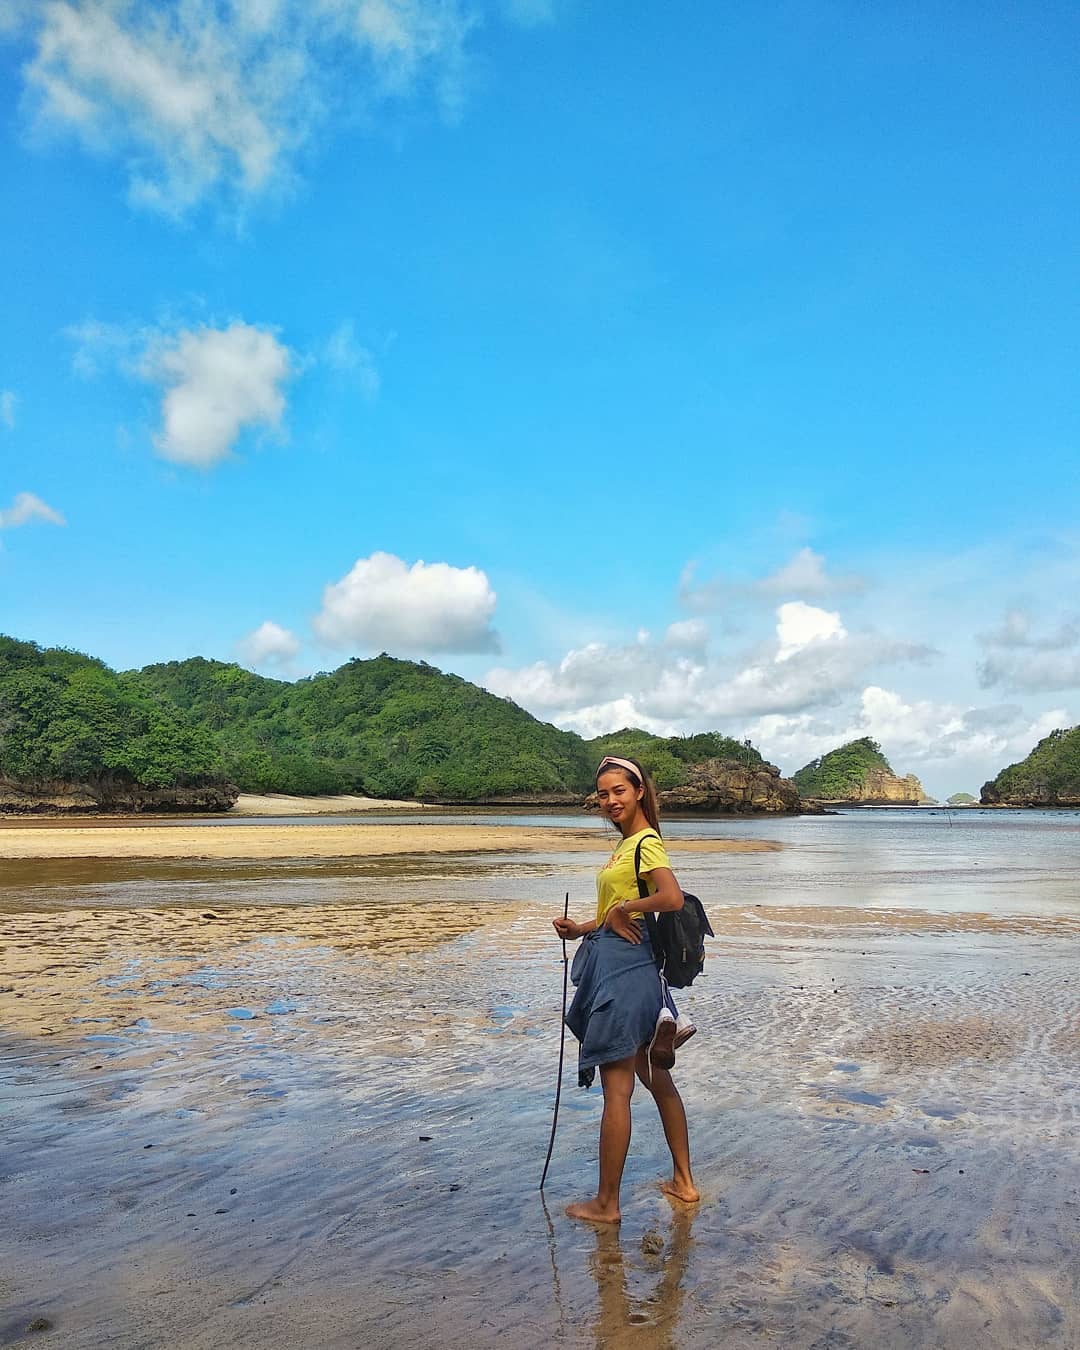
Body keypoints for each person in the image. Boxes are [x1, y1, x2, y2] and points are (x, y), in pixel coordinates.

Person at [553, 754, 700, 1224]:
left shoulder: (645, 842)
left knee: (617, 1090)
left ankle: (607, 1205)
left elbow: (671, 897)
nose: (611, 800)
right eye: (603, 793)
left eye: (619, 790)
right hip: (630, 968)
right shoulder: (625, 848)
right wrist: (582, 928)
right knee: (656, 1080)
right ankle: (684, 1183)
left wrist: (620, 912)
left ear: (639, 791)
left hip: (625, 972)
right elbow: (621, 911)